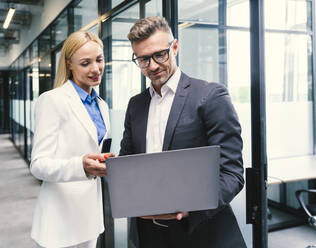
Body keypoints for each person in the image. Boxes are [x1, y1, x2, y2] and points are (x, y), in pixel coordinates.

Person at [119, 16, 246, 248]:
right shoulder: (135, 105)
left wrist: (191, 208)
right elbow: (126, 164)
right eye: (144, 59)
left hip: (203, 233)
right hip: (150, 234)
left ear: (175, 47)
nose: (153, 66)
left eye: (160, 55)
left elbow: (232, 174)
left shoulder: (210, 96)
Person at [30, 31, 114, 248]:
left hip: (90, 216)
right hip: (60, 219)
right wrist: (81, 166)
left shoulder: (102, 105)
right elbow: (38, 165)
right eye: (85, 63)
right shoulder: (52, 101)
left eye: (99, 60)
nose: (95, 69)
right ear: (69, 65)